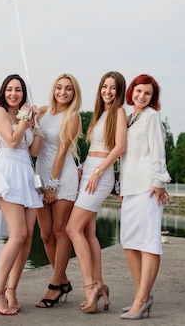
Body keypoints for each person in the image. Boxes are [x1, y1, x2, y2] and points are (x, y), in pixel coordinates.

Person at [65, 71, 127, 313]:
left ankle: (89, 285)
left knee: (72, 228)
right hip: (90, 171)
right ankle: (99, 284)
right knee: (89, 231)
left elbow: (119, 147)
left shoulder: (118, 112)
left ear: (119, 91)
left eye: (113, 88)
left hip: (100, 175)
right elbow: (96, 148)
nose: (108, 91)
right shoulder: (100, 114)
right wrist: (84, 169)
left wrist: (98, 171)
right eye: (104, 86)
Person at [0, 74, 43, 316]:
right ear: (3, 92)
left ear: (23, 93)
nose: (14, 93)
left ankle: (11, 289)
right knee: (17, 234)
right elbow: (11, 140)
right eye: (9, 89)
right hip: (7, 171)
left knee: (28, 237)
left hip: (26, 173)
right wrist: (25, 122)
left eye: (18, 90)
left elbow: (35, 150)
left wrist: (35, 124)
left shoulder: (26, 117)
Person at [119, 73, 171, 320]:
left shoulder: (151, 116)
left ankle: (141, 300)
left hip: (149, 188)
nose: (142, 96)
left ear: (152, 97)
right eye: (139, 91)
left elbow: (157, 151)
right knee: (129, 242)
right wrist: (122, 188)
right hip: (130, 188)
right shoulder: (130, 118)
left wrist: (159, 181)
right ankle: (143, 294)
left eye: (147, 93)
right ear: (132, 92)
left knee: (149, 243)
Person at [33, 74, 82, 308]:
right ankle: (62, 281)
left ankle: (54, 286)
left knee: (59, 229)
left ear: (74, 93)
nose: (63, 92)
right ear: (54, 89)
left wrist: (53, 184)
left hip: (62, 177)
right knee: (45, 234)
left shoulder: (72, 116)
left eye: (68, 89)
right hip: (40, 175)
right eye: (59, 88)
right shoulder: (42, 112)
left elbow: (63, 152)